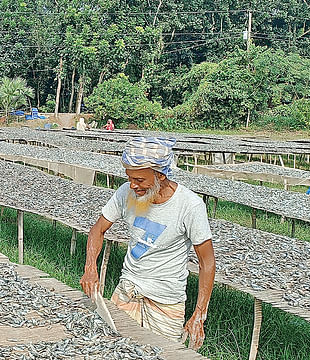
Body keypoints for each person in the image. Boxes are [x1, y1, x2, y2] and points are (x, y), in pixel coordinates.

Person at [79, 137, 215, 350]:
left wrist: (199, 313)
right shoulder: (126, 192)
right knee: (114, 349)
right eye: (130, 177)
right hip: (128, 290)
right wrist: (90, 268)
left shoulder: (190, 206)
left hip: (165, 301)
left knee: (162, 353)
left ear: (160, 176)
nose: (133, 185)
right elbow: (98, 229)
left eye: (140, 180)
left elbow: (206, 262)